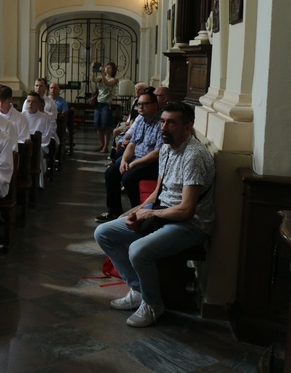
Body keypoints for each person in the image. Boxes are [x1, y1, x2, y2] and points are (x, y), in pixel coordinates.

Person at [94, 102, 215, 327]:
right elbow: (158, 192)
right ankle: (138, 289)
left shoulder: (194, 156)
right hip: (162, 213)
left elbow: (186, 209)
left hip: (191, 224)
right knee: (104, 232)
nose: (164, 128)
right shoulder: (168, 148)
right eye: (162, 121)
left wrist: (149, 215)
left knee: (138, 251)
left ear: (188, 127)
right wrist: (135, 211)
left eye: (171, 123)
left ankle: (153, 304)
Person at [96, 90, 162, 223]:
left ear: (155, 105)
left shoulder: (160, 123)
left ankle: (137, 214)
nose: (140, 107)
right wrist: (124, 161)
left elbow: (157, 153)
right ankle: (114, 211)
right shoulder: (141, 120)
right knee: (111, 172)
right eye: (139, 104)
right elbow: (132, 144)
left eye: (145, 104)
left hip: (151, 163)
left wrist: (133, 164)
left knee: (128, 177)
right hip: (136, 158)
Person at [22, 91, 58, 189]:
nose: (30, 104)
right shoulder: (21, 116)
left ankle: (36, 184)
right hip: (23, 146)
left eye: (33, 102)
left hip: (39, 147)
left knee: (36, 155)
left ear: (38, 104)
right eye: (28, 101)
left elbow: (46, 137)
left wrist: (34, 145)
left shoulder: (44, 118)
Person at [91, 62, 119, 152]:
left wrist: (102, 74)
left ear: (113, 70)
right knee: (98, 125)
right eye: (106, 67)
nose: (107, 69)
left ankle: (106, 146)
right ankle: (101, 144)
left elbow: (107, 83)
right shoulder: (101, 78)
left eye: (110, 68)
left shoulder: (114, 79)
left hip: (106, 104)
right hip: (98, 104)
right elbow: (94, 80)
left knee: (106, 126)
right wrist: (93, 70)